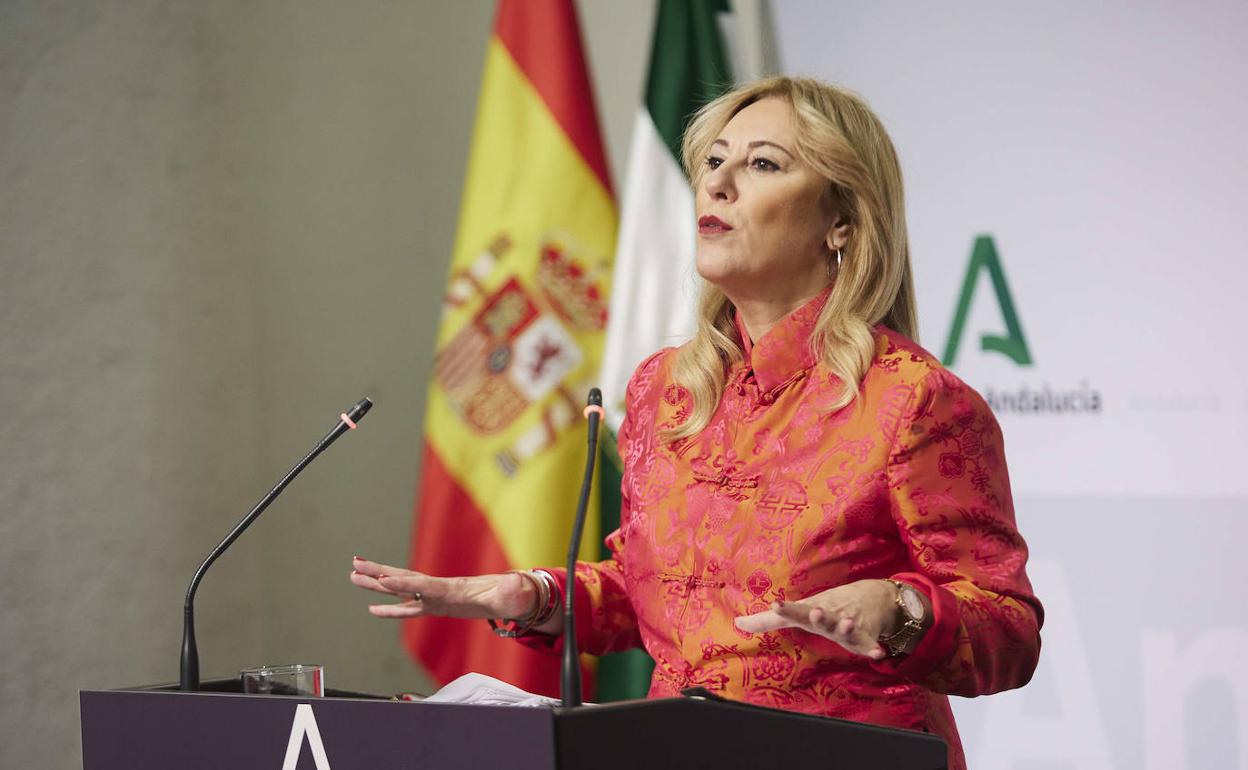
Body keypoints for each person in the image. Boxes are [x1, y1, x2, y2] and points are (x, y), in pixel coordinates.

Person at [352, 77, 1042, 770]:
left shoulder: (914, 401)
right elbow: (648, 588)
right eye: (714, 162)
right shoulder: (666, 389)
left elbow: (1009, 634)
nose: (718, 185)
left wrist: (900, 610)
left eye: (763, 164)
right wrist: (533, 594)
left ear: (842, 221)